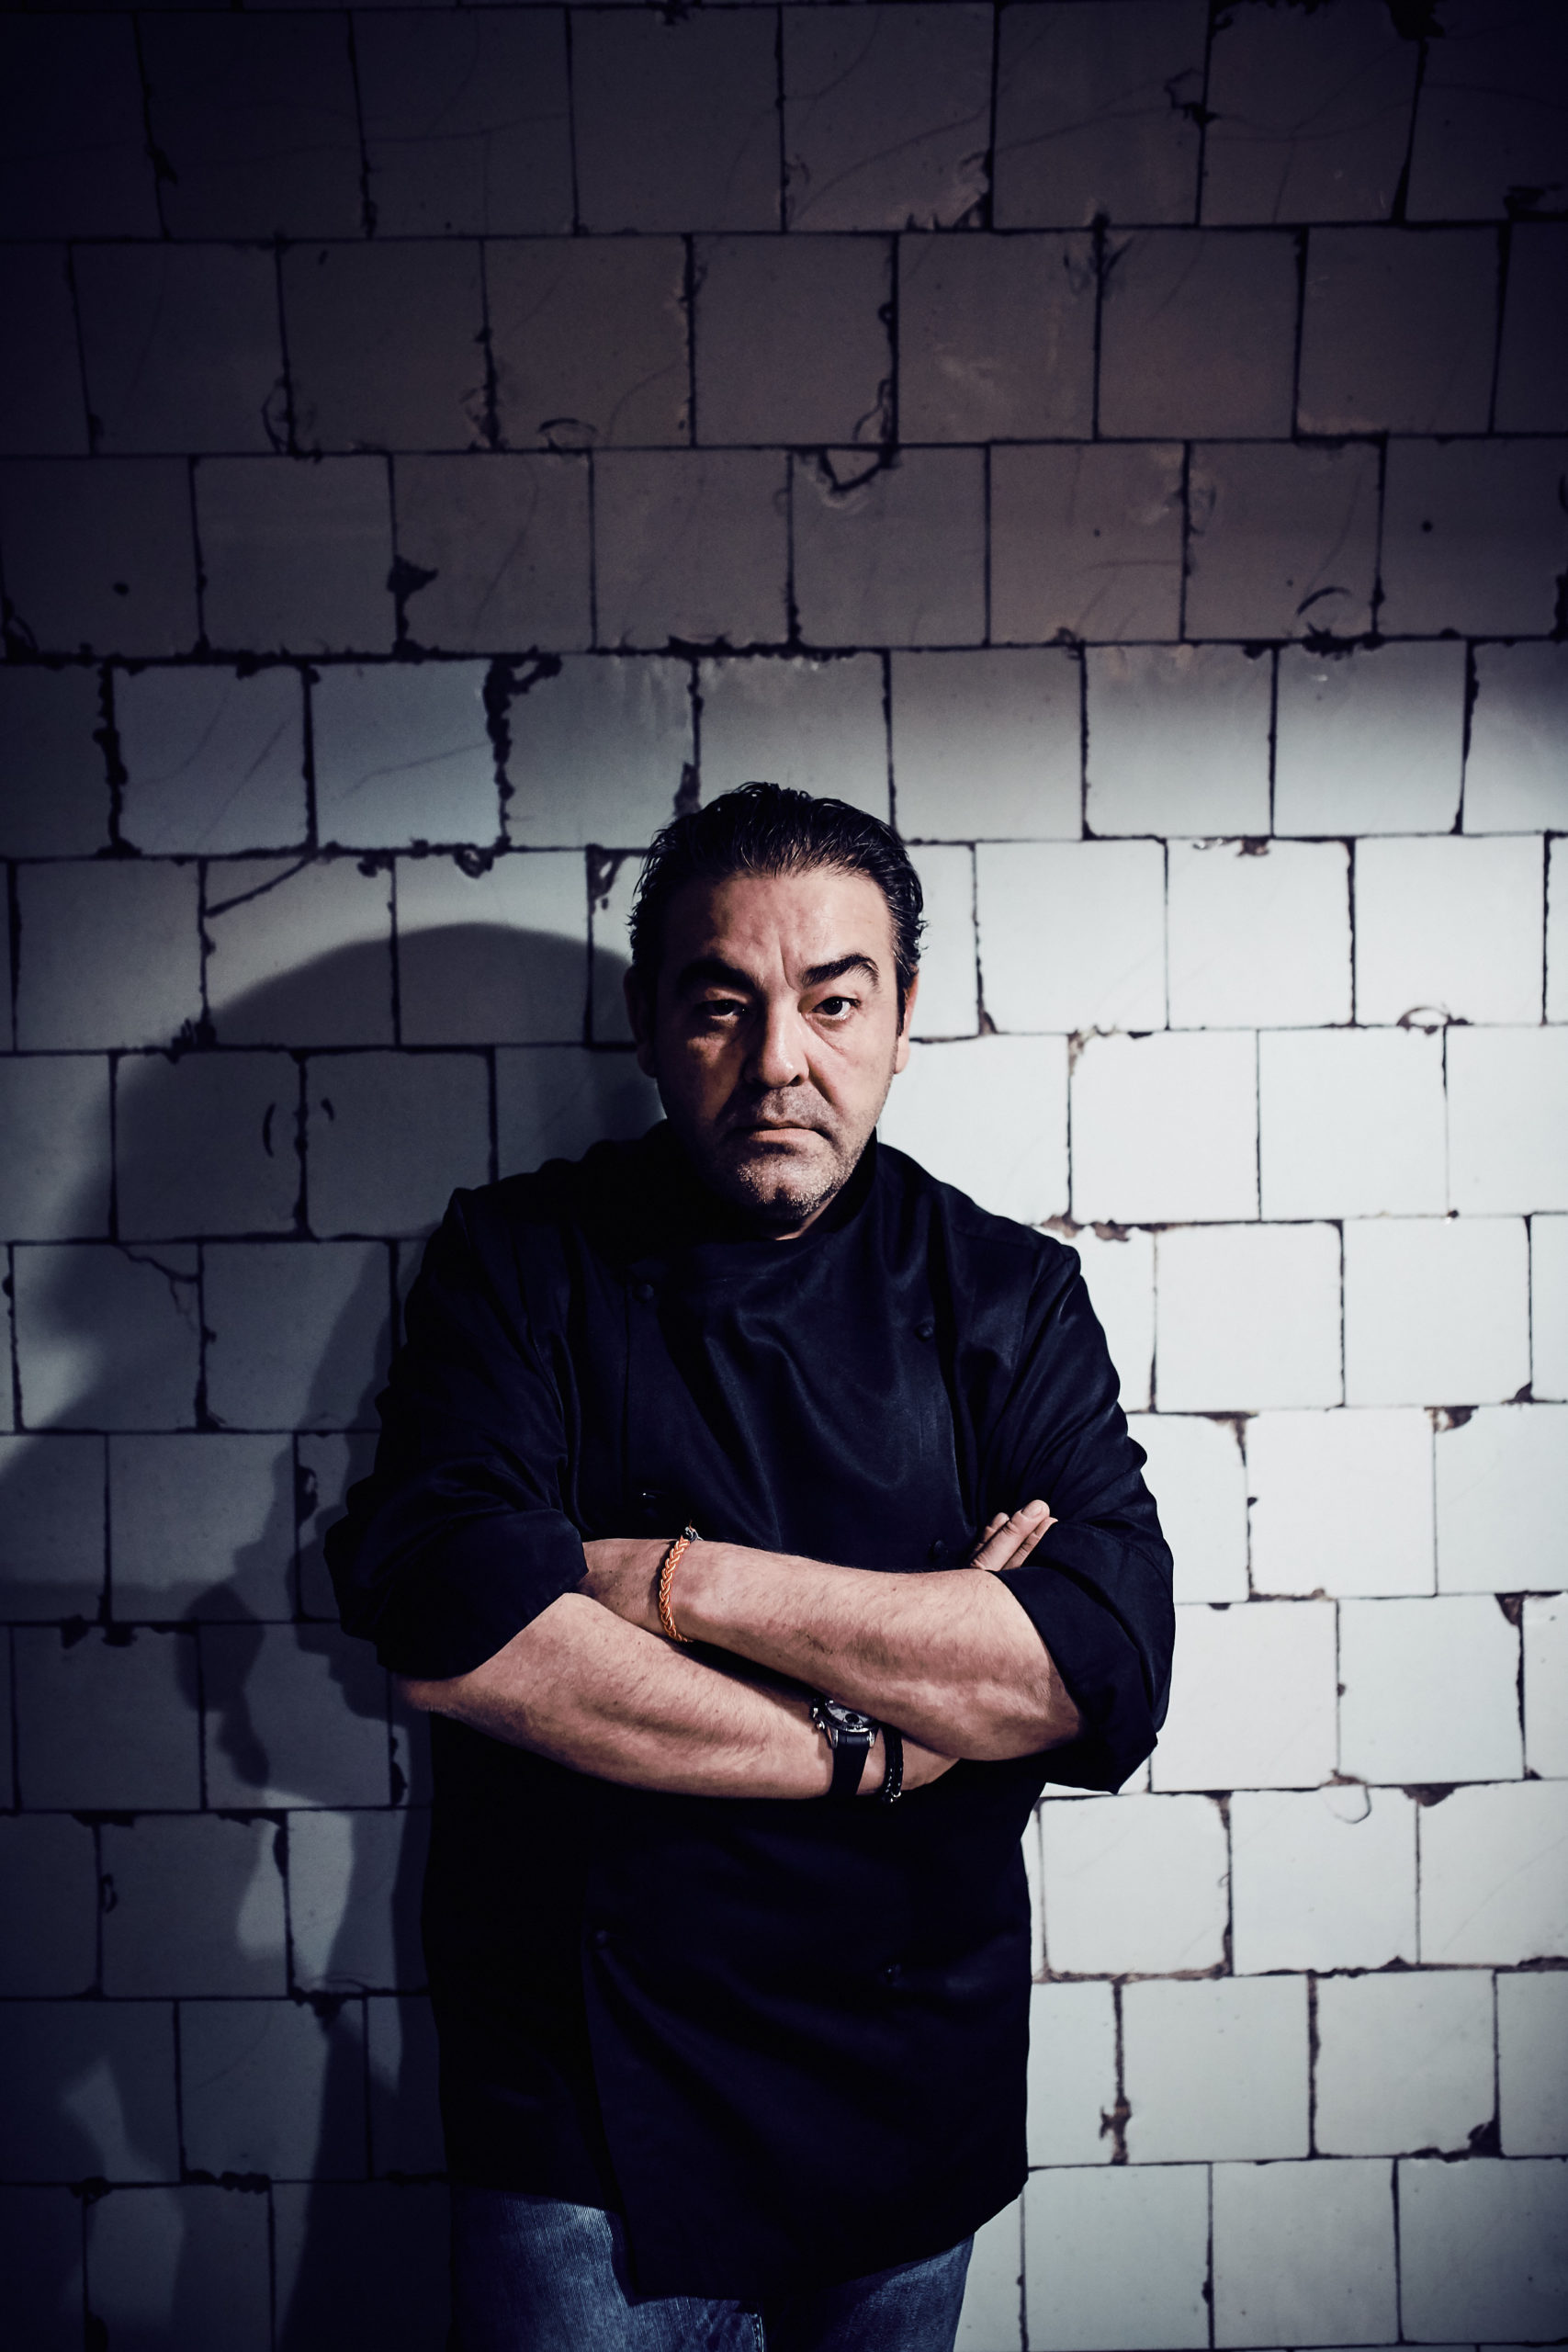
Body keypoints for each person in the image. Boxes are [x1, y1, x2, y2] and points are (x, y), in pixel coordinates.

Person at [328, 783, 1174, 2352]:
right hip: (581, 2114)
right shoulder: (520, 1265)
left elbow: (1097, 1665)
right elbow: (457, 1623)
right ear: (650, 1028)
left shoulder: (1007, 1296)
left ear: (904, 1020)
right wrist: (878, 1747)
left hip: (905, 2083)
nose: (780, 1060)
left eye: (834, 1003)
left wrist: (675, 1582)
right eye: (722, 1005)